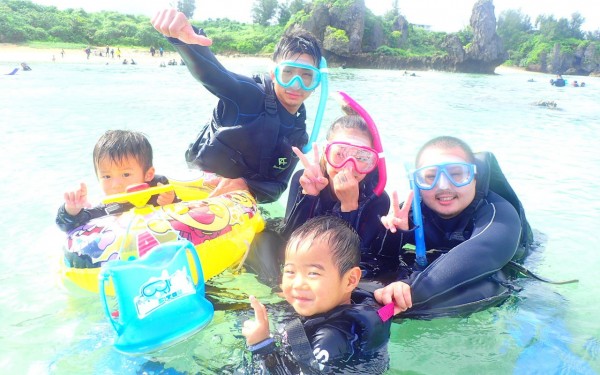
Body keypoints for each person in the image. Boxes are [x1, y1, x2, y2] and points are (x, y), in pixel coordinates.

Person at [151, 9, 324, 203]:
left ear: (317, 82)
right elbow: (212, 74)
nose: (295, 84)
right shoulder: (248, 94)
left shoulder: (298, 134)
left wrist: (244, 185)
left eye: (307, 76)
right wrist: (184, 41)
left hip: (237, 205)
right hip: (195, 190)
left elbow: (278, 187)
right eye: (288, 72)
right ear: (274, 74)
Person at [373, 136, 533, 318]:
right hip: (436, 270)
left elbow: (482, 253)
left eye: (456, 174)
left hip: (499, 273)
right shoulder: (411, 212)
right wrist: (396, 235)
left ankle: (381, 315)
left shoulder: (500, 215)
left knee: (493, 284)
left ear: (474, 177)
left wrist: (404, 294)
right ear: (417, 182)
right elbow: (377, 264)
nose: (443, 186)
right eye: (431, 177)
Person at [241, 216, 392, 374]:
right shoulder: (371, 305)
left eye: (313, 273)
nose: (298, 284)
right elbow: (388, 312)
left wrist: (261, 345)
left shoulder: (328, 339)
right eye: (290, 272)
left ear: (350, 280)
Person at [55, 130, 176, 234]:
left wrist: (170, 202)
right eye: (107, 176)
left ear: (148, 175)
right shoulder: (107, 209)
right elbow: (68, 225)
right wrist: (72, 210)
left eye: (126, 174)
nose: (116, 185)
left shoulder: (160, 191)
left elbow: (187, 210)